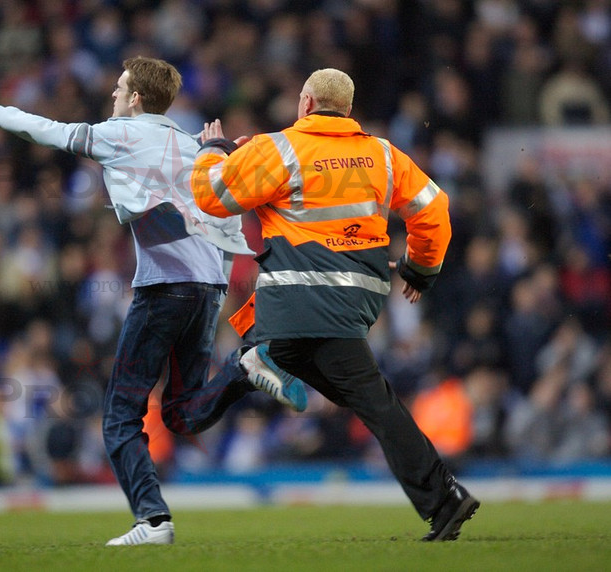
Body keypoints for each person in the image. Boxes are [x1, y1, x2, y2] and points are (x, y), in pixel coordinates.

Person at [0, 56, 306, 546]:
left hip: (163, 288)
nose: (113, 95)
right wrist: (220, 284)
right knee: (182, 413)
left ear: (136, 98)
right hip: (206, 289)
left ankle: (153, 521)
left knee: (119, 414)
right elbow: (227, 218)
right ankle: (243, 370)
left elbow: (46, 131)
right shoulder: (192, 146)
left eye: (120, 88)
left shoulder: (120, 133)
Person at [192, 68, 480, 541]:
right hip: (358, 300)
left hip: (295, 297)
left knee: (266, 363)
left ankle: (234, 378)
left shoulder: (279, 147)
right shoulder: (382, 154)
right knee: (371, 400)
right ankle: (444, 500)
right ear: (346, 110)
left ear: (305, 103)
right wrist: (420, 269)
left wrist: (212, 154)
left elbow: (212, 197)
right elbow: (435, 209)